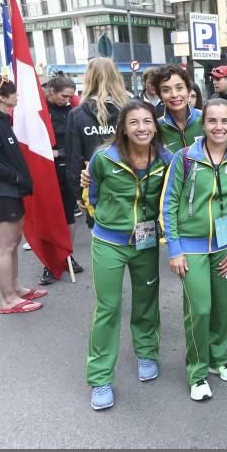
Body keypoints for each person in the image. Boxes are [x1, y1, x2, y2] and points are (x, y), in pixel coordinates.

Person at [85, 100, 173, 410]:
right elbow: (91, 194)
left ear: (155, 126)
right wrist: (105, 221)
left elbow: (171, 198)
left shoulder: (166, 159)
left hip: (146, 242)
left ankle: (146, 352)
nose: (142, 128)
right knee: (108, 308)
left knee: (146, 300)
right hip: (108, 241)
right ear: (123, 127)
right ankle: (99, 377)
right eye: (134, 122)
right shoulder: (103, 158)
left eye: (147, 122)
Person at [161, 98, 227, 402]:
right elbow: (169, 204)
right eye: (212, 121)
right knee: (199, 310)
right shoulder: (184, 158)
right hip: (192, 247)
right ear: (204, 123)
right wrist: (174, 249)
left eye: (225, 121)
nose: (219, 127)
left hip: (226, 247)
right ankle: (197, 373)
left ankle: (219, 358)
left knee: (225, 308)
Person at [0, 75, 46, 314]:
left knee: (13, 243)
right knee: (4, 246)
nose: (17, 96)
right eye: (13, 92)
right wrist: (17, 178)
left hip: (8, 191)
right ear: (1, 97)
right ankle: (8, 300)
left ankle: (15, 288)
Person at [65, 57, 128, 224]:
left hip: (94, 186)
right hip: (129, 184)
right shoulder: (130, 109)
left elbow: (74, 158)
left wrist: (78, 193)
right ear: (116, 77)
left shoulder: (77, 115)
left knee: (103, 239)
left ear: (88, 79)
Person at [38, 74, 84, 285]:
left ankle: (67, 254)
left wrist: (63, 153)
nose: (67, 100)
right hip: (46, 171)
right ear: (52, 92)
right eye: (64, 96)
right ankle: (49, 263)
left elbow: (77, 141)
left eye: (70, 96)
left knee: (68, 216)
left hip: (67, 168)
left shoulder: (72, 112)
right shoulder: (41, 112)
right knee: (49, 218)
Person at [154, 65, 203, 153]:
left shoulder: (205, 119)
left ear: (188, 90)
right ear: (160, 95)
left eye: (179, 88)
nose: (174, 95)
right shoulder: (156, 128)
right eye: (166, 90)